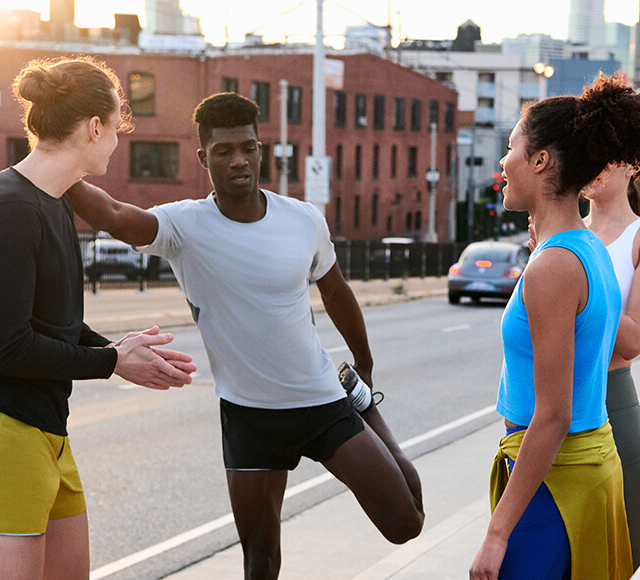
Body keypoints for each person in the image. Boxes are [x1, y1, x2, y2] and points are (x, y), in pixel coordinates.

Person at [66, 92, 424, 580]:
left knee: (406, 523)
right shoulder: (183, 226)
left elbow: (336, 291)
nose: (238, 160)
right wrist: (56, 162)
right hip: (248, 416)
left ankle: (366, 408)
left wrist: (364, 362)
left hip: (320, 402)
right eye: (224, 151)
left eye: (248, 148)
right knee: (260, 556)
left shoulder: (302, 219)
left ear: (261, 150)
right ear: (203, 159)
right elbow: (111, 214)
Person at [0, 56, 197, 580]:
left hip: (46, 427)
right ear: (94, 127)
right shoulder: (5, 209)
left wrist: (118, 351)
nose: (117, 141)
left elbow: (54, 324)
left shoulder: (51, 203)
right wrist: (110, 362)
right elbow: (4, 347)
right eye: (117, 127)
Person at [470, 74, 640, 580]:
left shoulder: (555, 266)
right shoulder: (586, 246)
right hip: (581, 468)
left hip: (554, 483)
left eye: (511, 148)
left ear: (540, 160)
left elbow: (553, 416)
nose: (503, 163)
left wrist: (497, 533)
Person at [580, 165, 640, 567]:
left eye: (606, 153)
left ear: (633, 163)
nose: (592, 164)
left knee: (622, 565)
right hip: (548, 412)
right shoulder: (562, 233)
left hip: (612, 410)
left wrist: (577, 280)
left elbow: (633, 340)